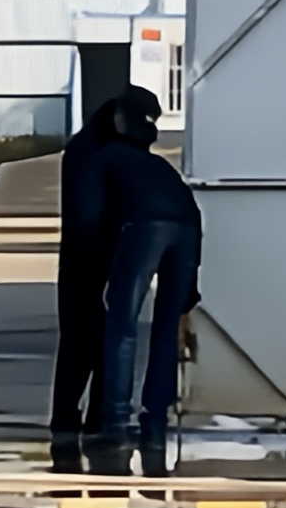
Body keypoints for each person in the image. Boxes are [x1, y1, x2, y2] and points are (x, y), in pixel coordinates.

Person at [52, 83, 202, 476]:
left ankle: (115, 426)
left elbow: (86, 221)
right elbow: (189, 210)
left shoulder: (98, 156)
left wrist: (92, 275)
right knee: (165, 332)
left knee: (121, 328)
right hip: (187, 226)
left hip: (143, 228)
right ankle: (153, 428)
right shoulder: (151, 162)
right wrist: (188, 301)